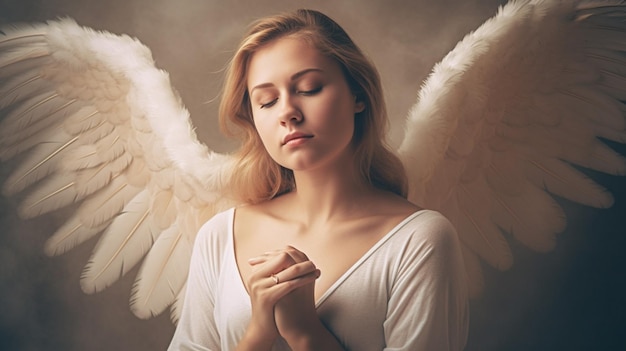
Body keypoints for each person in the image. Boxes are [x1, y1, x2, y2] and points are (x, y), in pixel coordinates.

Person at [169, 8, 469, 351]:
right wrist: (257, 335)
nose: (288, 112)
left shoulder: (420, 239)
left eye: (309, 88)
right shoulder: (220, 236)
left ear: (358, 95)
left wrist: (305, 332)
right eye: (266, 101)